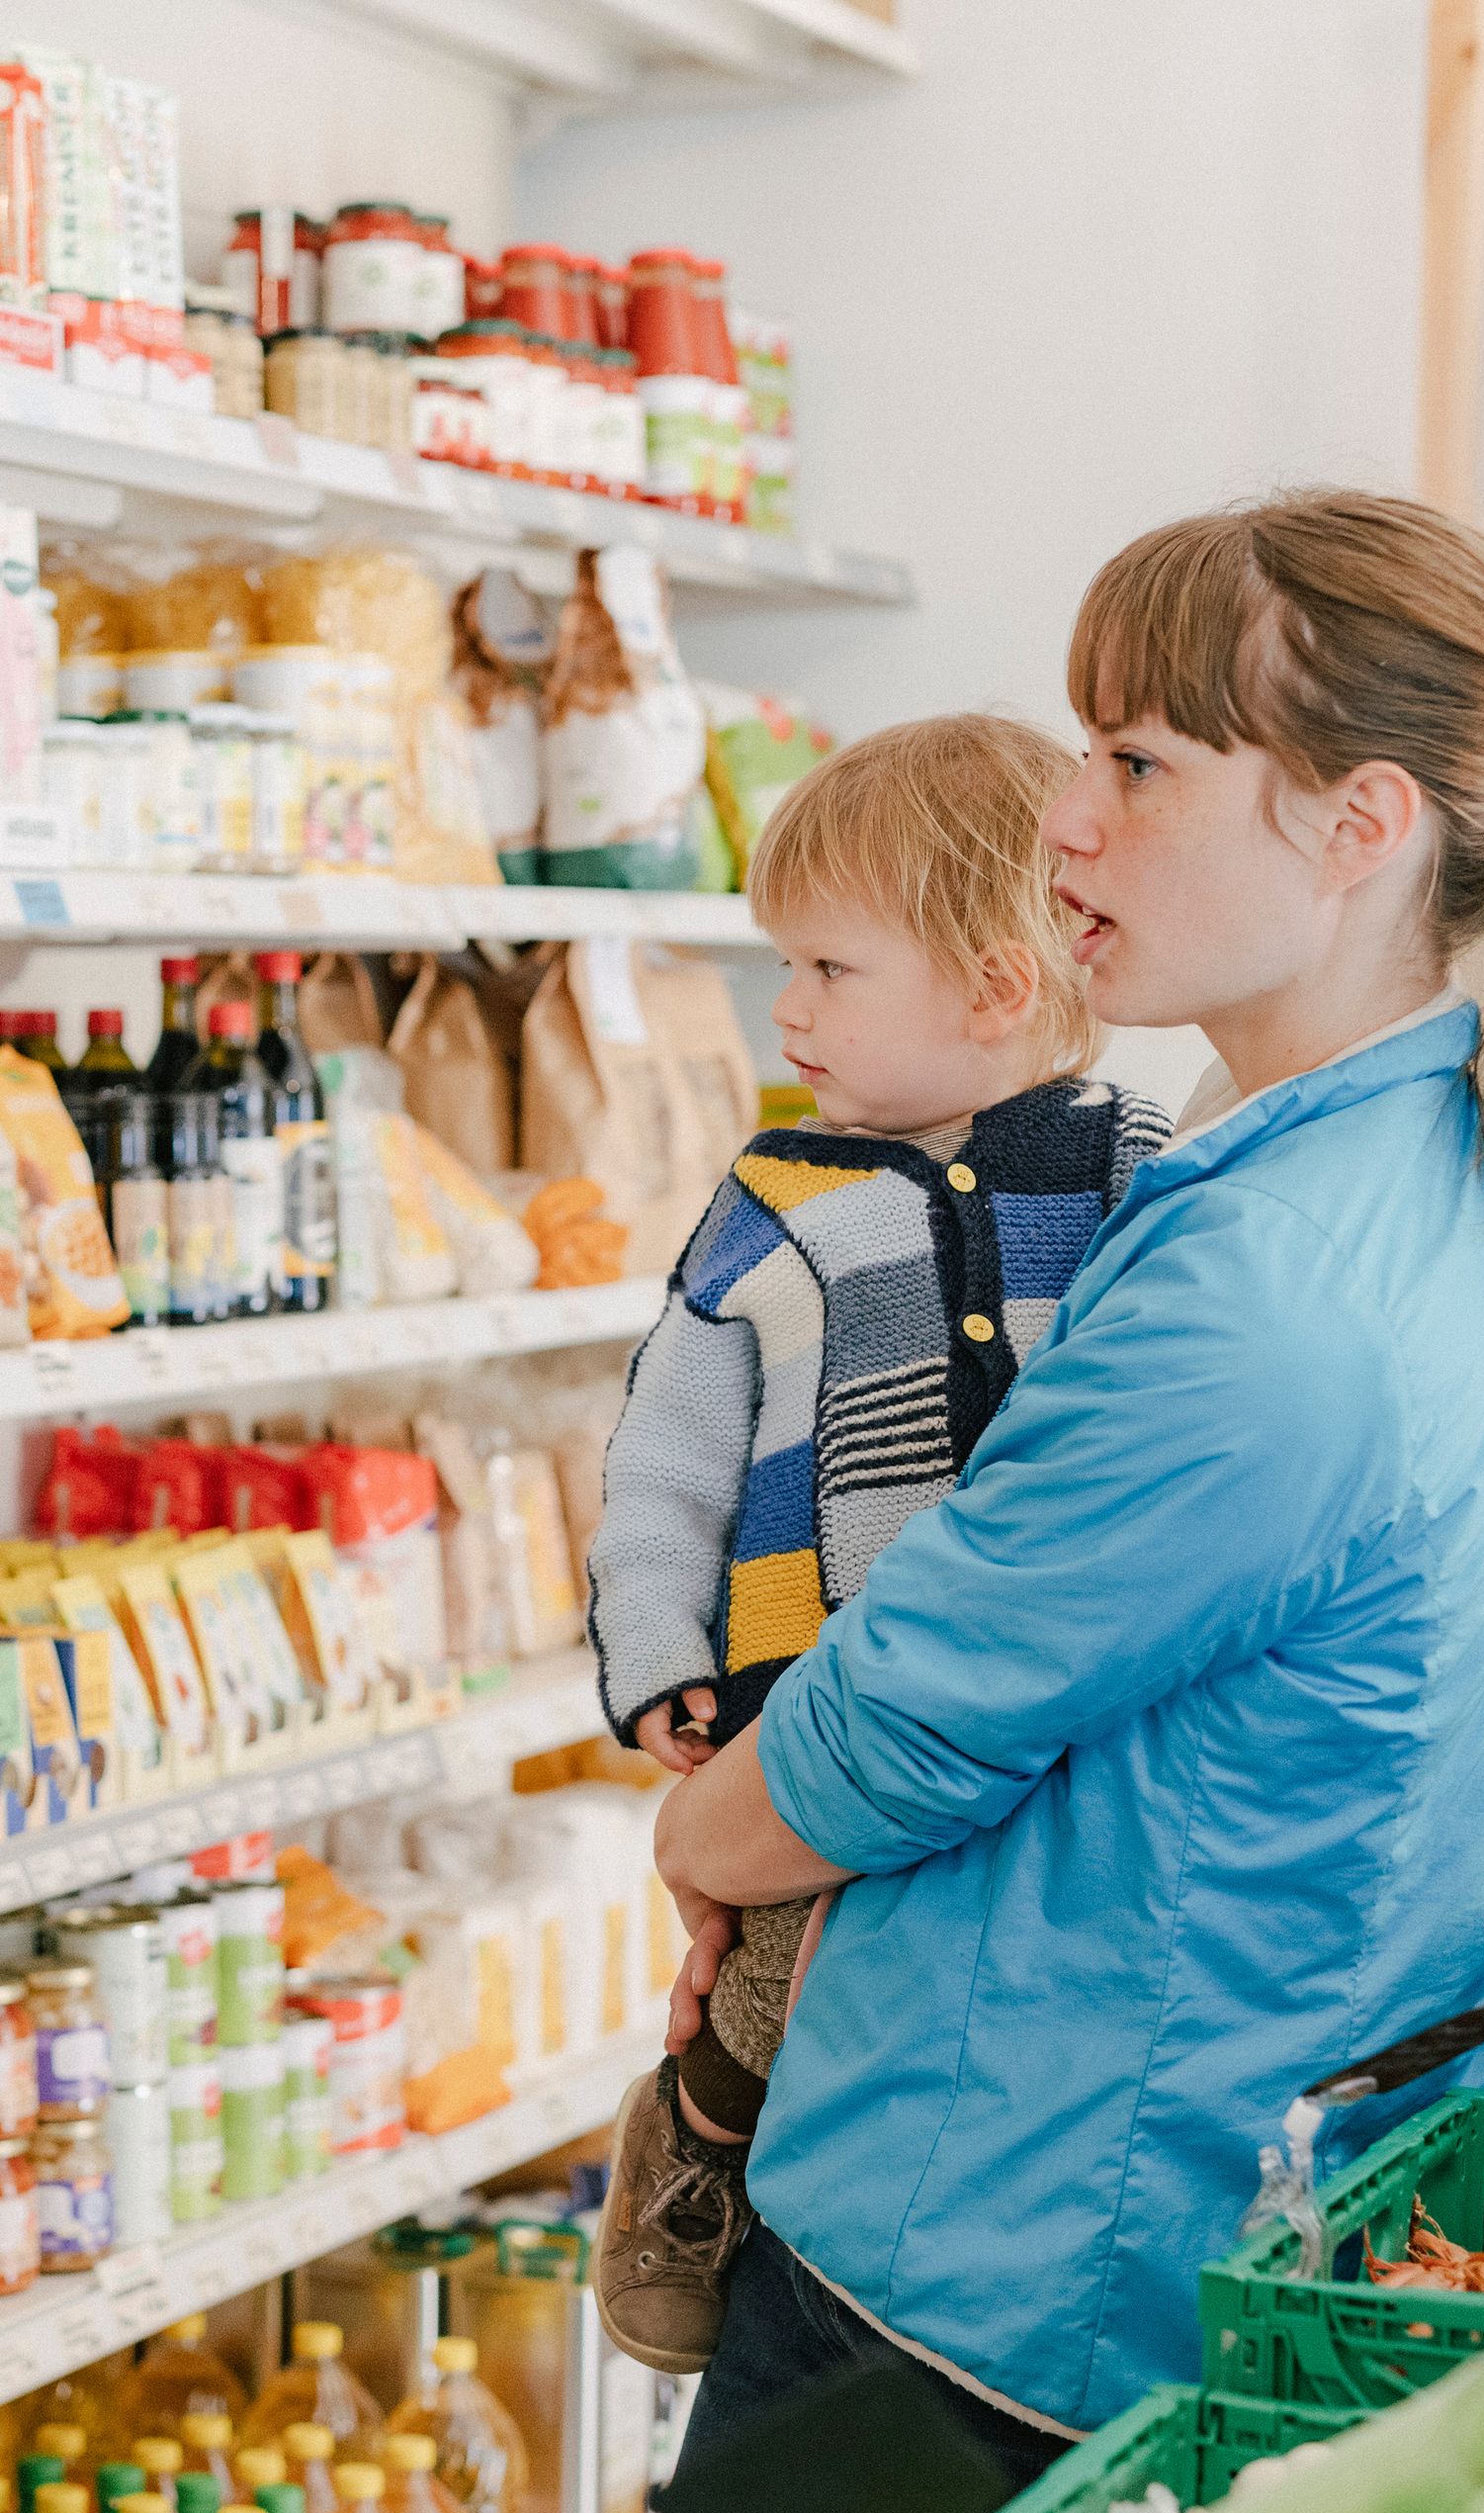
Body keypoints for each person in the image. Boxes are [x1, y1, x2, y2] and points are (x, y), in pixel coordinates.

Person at [647, 489, 1484, 2485]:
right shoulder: (1407, 1164)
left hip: (1016, 2264)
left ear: (1357, 825)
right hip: (1209, 2172)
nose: (1064, 815)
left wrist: (704, 1838)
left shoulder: (1267, 1290)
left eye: (1136, 760)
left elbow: (906, 1723)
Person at [581, 713, 1168, 2373]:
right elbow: (668, 1456)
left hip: (1033, 1712)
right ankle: (703, 2146)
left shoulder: (1137, 1171)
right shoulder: (771, 1198)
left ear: (993, 987)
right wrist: (657, 1657)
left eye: (830, 968)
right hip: (809, 1692)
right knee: (782, 1970)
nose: (790, 1010)